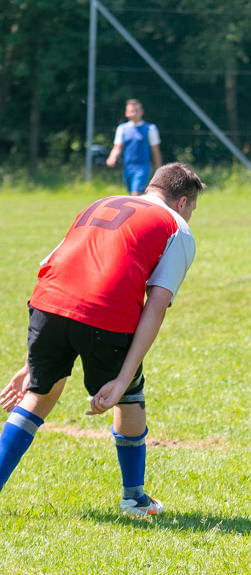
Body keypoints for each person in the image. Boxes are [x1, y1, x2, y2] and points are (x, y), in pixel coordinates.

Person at [0, 163, 204, 516]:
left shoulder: (101, 202)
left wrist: (31, 364)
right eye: (194, 209)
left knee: (40, 395)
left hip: (46, 303)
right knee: (130, 399)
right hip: (102, 314)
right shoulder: (177, 226)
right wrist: (124, 378)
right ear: (183, 201)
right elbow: (156, 306)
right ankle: (135, 500)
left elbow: (58, 265)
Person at [106, 99, 163, 196]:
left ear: (142, 112)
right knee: (133, 195)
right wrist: (112, 157)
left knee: (135, 194)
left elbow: (155, 150)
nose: (134, 113)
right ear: (126, 113)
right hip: (127, 167)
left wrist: (160, 170)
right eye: (131, 111)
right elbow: (117, 147)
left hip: (142, 167)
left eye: (136, 111)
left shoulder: (150, 128)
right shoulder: (122, 129)